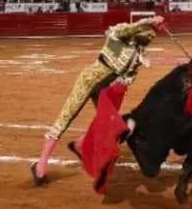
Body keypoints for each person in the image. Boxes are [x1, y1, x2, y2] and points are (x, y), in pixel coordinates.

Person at [32, 14, 167, 186]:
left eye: (152, 36)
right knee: (66, 117)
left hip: (105, 90)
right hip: (88, 80)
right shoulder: (121, 34)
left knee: (107, 125)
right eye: (149, 34)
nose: (151, 38)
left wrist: (121, 85)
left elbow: (128, 77)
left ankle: (80, 145)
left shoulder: (138, 55)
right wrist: (149, 21)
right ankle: (40, 164)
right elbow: (131, 28)